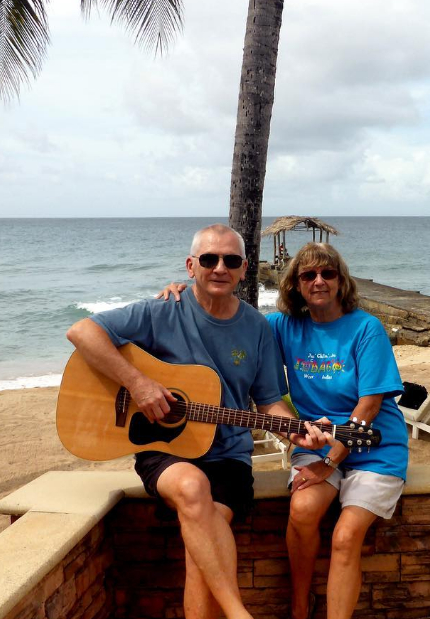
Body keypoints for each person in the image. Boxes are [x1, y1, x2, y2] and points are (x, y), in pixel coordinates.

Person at [67, 224, 325, 619]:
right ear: (191, 266)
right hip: (165, 450)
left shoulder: (257, 328)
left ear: (243, 270)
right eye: (209, 259)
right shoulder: (161, 311)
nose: (220, 267)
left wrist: (295, 434)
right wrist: (138, 384)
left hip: (229, 457)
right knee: (191, 487)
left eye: (231, 260)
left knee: (200, 548)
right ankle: (239, 613)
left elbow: (270, 401)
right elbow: (82, 331)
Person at [158, 242, 408, 619]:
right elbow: (228, 323)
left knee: (344, 537)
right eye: (308, 275)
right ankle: (299, 605)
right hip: (315, 437)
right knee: (303, 510)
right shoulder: (281, 326)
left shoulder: (366, 328)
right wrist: (185, 295)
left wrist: (330, 461)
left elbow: (369, 406)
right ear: (295, 284)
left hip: (373, 444)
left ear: (341, 281)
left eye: (328, 273)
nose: (319, 281)